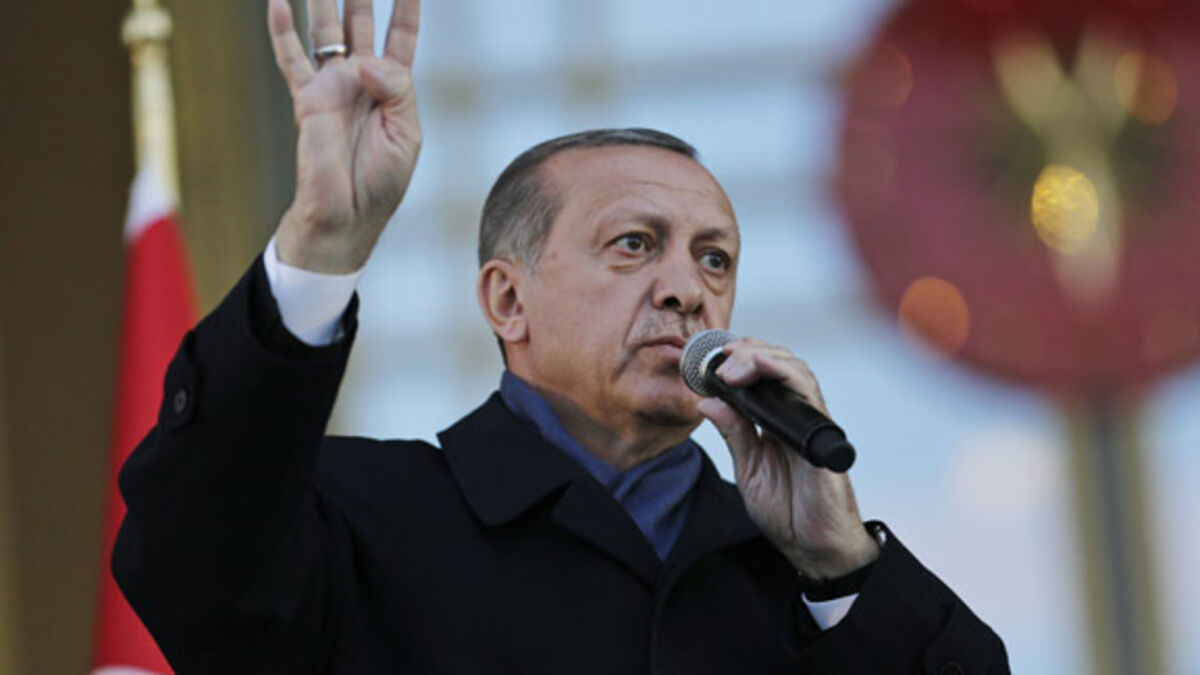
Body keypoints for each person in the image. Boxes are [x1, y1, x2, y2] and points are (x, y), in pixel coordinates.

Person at [113, 0, 1010, 672]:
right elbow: (189, 563)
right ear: (508, 301)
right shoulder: (365, 518)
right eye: (635, 244)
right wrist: (322, 246)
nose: (688, 290)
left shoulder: (801, 574)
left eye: (715, 259)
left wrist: (840, 562)